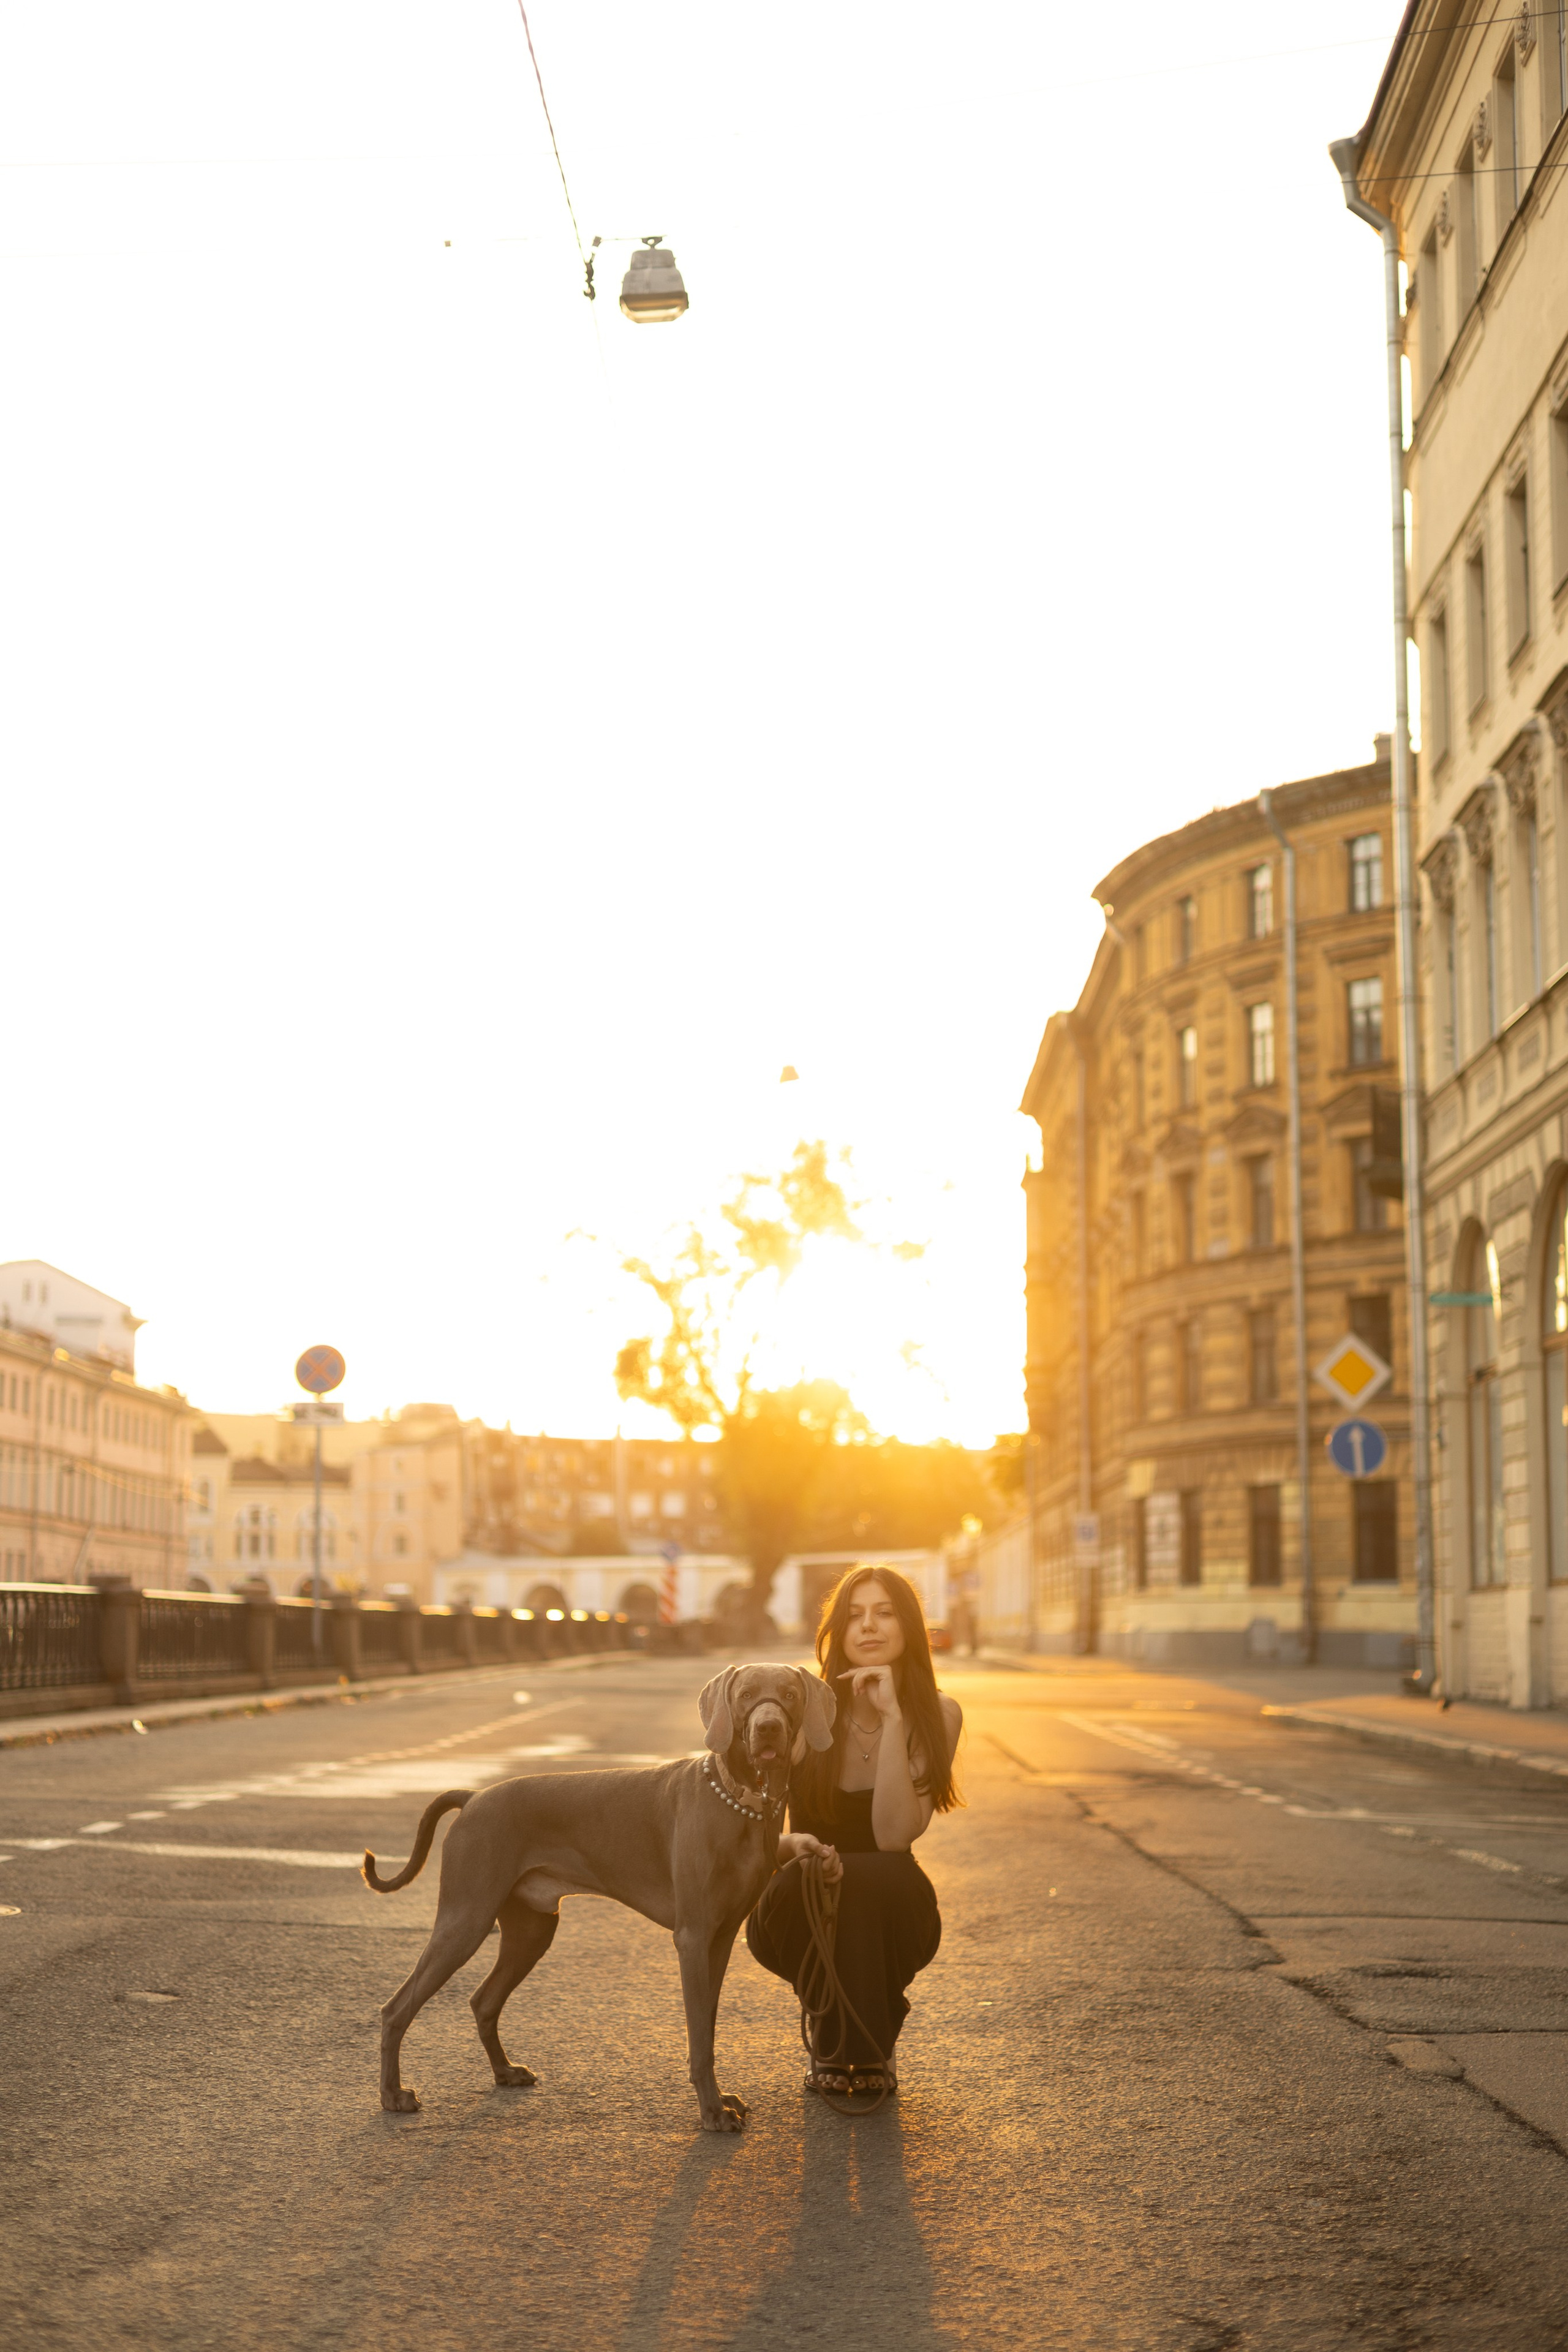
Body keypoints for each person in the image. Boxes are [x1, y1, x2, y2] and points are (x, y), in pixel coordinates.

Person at [746, 1563, 963, 2097]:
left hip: (896, 1911)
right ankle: (843, 2038)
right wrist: (794, 1845)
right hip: (801, 1902)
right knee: (817, 1879)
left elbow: (894, 1837)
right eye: (855, 1615)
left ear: (909, 1627)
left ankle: (866, 2043)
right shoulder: (801, 1715)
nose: (868, 1626)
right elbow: (746, 1837)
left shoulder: (940, 1714)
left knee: (876, 1874)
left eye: (885, 1613)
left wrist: (893, 1719)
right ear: (838, 1632)